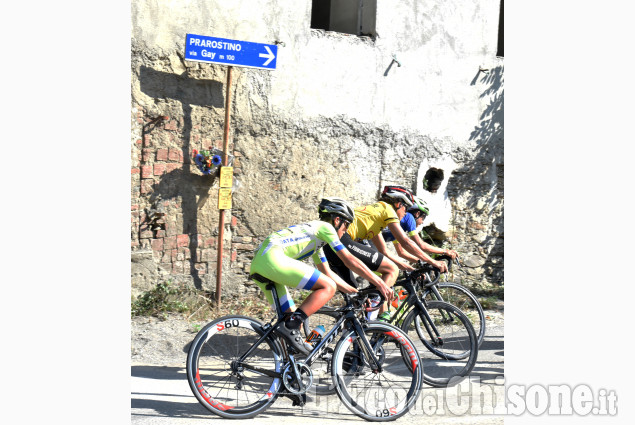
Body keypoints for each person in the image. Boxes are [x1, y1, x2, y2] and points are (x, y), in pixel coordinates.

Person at [249, 197, 389, 355]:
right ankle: (292, 325)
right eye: (347, 225)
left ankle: (286, 369)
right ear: (337, 220)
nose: (346, 231)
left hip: (259, 264)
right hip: (272, 258)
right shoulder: (325, 228)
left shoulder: (316, 238)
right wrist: (379, 283)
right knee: (327, 288)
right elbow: (349, 260)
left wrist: (354, 293)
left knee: (290, 320)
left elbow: (327, 272)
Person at [324, 185, 449, 321]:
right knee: (391, 270)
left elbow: (384, 252)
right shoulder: (388, 209)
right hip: (341, 242)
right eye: (405, 208)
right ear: (398, 204)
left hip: (330, 248)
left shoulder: (375, 216)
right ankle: (377, 320)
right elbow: (406, 242)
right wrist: (433, 261)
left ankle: (350, 335)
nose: (406, 213)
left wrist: (411, 268)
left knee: (355, 298)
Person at [381, 195, 458, 264]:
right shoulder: (409, 218)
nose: (422, 222)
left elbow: (401, 252)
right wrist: (445, 251)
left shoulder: (401, 225)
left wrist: (421, 262)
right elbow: (421, 245)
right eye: (423, 218)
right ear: (417, 214)